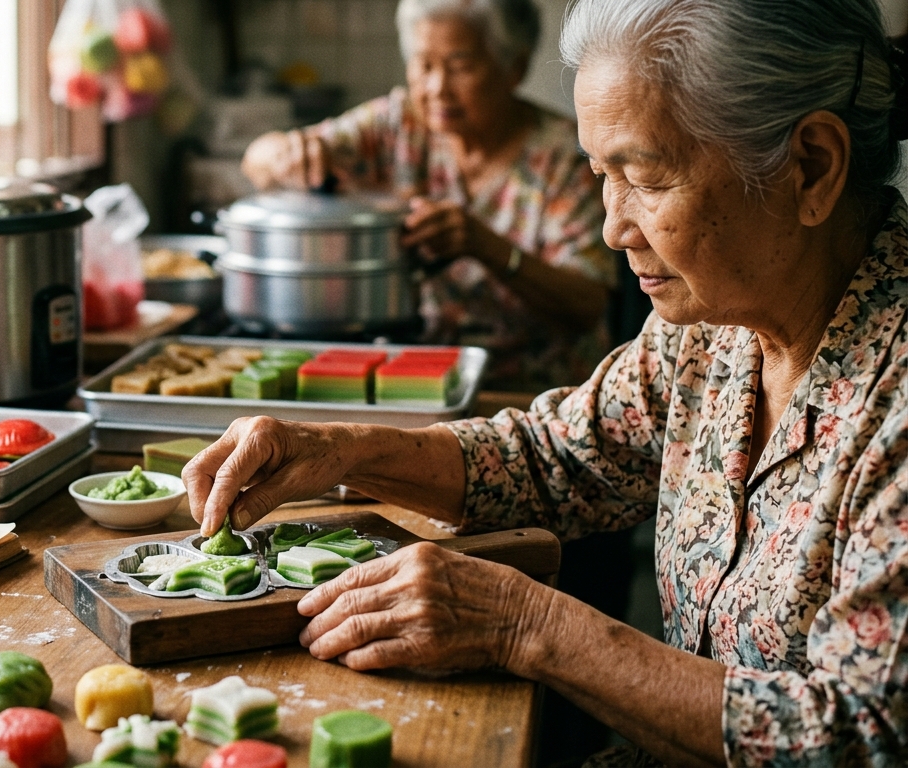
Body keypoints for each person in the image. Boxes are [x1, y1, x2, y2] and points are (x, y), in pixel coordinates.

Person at [188, 0, 908, 764]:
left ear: (812, 167)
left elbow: (863, 736)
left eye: (649, 180)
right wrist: (341, 451)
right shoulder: (710, 329)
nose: (612, 228)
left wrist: (525, 624)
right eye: (604, 175)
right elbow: (560, 456)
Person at [240, 0, 616, 393]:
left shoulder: (563, 157)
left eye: (460, 67)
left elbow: (587, 306)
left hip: (537, 393)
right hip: (417, 379)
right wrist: (286, 153)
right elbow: (258, 160)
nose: (437, 88)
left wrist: (483, 245)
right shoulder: (398, 122)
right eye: (424, 65)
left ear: (514, 69)